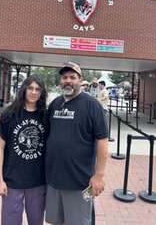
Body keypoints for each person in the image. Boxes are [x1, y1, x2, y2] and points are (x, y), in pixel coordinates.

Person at [45, 62, 108, 225]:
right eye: (64, 77)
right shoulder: (55, 104)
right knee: (56, 221)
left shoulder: (92, 105)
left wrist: (99, 176)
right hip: (53, 179)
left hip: (79, 181)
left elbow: (102, 140)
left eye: (73, 77)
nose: (68, 80)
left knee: (77, 222)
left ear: (81, 80)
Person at [0, 74, 48, 225]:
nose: (33, 92)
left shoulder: (45, 116)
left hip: (37, 182)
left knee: (36, 222)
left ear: (42, 92)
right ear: (24, 89)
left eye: (38, 89)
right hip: (12, 182)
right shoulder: (9, 114)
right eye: (30, 88)